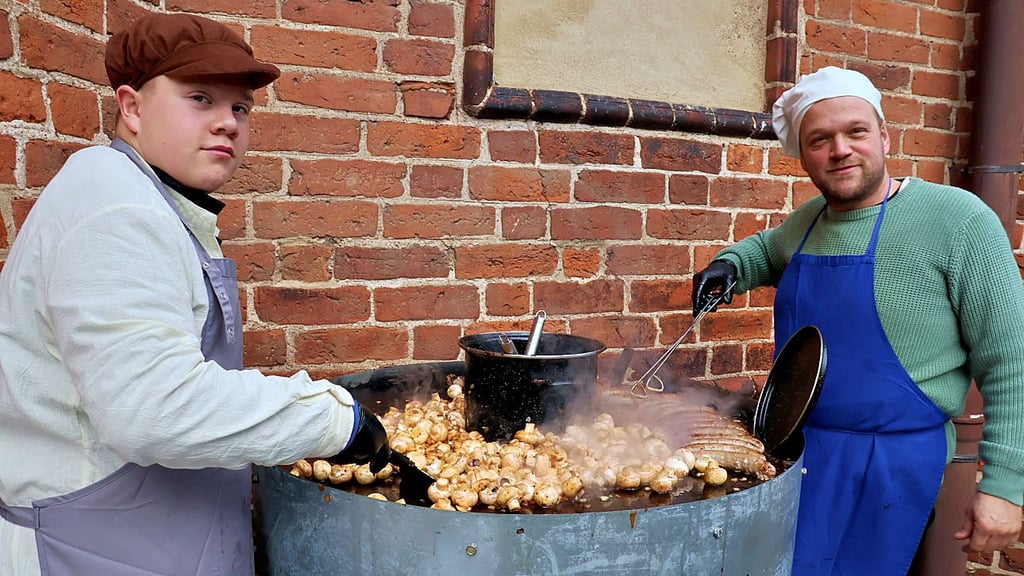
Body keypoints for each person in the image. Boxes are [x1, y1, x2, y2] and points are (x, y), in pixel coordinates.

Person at [0, 13, 390, 576]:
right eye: (200, 99)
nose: (228, 123)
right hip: (88, 548)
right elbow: (154, 406)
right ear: (132, 107)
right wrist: (332, 422)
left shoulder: (156, 200)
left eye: (240, 108)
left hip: (148, 538)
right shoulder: (114, 205)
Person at [692, 66, 1024, 575]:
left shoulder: (958, 220)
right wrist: (731, 266)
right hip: (794, 454)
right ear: (803, 157)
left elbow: (1013, 360)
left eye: (856, 131)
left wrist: (1006, 485)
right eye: (820, 139)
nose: (840, 149)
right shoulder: (809, 221)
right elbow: (765, 249)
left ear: (885, 137)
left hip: (892, 467)